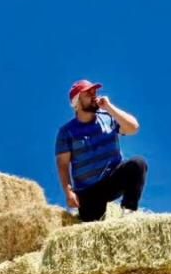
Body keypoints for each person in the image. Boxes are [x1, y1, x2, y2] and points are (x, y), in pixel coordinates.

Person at [55, 79, 147, 222]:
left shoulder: (108, 117)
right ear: (76, 101)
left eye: (95, 92)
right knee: (91, 230)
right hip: (88, 191)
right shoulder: (66, 132)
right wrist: (68, 192)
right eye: (88, 93)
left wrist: (109, 107)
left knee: (138, 164)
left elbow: (133, 128)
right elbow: (63, 164)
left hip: (112, 180)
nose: (94, 95)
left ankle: (128, 214)